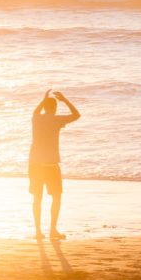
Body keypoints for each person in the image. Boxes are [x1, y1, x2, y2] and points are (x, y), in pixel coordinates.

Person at [29, 89, 80, 240]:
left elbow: (35, 112)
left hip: (35, 164)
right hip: (51, 165)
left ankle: (38, 232)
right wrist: (65, 99)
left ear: (44, 107)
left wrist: (42, 100)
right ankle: (53, 230)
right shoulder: (57, 120)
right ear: (55, 108)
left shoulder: (36, 119)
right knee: (56, 197)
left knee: (37, 198)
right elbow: (77, 115)